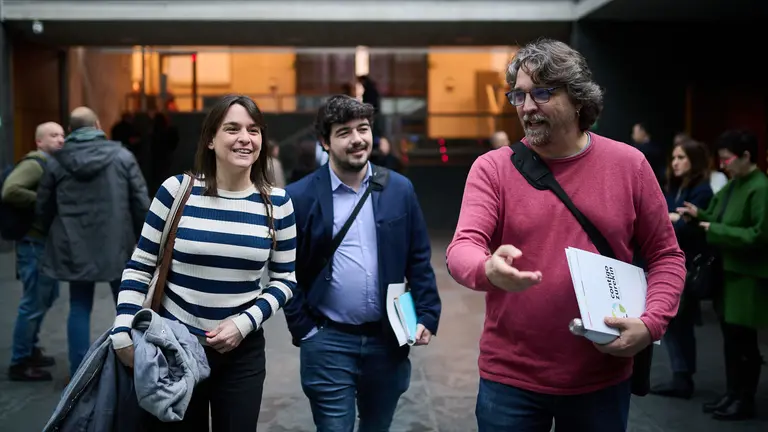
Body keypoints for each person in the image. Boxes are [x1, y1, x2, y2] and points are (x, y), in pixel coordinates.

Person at [445, 39, 686, 431]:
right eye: (518, 96)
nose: (526, 107)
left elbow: (666, 256)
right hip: (510, 380)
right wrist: (487, 267)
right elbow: (462, 247)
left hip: (602, 375)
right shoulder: (493, 168)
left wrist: (651, 323)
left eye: (541, 93)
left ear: (577, 99)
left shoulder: (629, 165)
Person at [110, 95, 297, 430]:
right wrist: (123, 328)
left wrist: (244, 323)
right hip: (174, 348)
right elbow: (140, 266)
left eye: (254, 130)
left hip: (242, 354)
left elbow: (285, 280)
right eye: (232, 128)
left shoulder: (277, 203)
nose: (245, 138)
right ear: (211, 139)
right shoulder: (176, 191)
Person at [284, 95, 441, 432]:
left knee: (377, 426)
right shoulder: (299, 197)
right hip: (327, 339)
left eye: (363, 129)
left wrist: (427, 313)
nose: (357, 139)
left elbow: (418, 258)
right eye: (344, 132)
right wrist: (305, 329)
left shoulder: (399, 189)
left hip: (387, 339)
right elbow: (285, 270)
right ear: (325, 142)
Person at [36, 107, 149, 378]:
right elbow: (141, 202)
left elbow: (43, 206)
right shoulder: (122, 156)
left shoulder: (57, 162)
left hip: (74, 245)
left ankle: (79, 372)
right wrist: (143, 241)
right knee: (125, 304)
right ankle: (131, 366)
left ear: (71, 131)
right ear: (98, 125)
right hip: (117, 244)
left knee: (78, 306)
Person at [677, 129, 768, 421]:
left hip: (746, 276)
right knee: (731, 339)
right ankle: (733, 394)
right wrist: (699, 216)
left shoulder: (760, 187)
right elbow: (715, 218)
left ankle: (745, 398)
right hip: (727, 273)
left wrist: (714, 229)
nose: (723, 165)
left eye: (728, 159)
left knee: (743, 340)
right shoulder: (734, 185)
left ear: (746, 157)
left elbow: (759, 235)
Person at [651, 139, 713, 398]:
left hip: (688, 265)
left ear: (694, 160)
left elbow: (686, 228)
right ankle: (681, 375)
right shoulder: (674, 188)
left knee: (680, 323)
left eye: (681, 157)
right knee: (673, 323)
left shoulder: (702, 190)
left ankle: (683, 377)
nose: (675, 163)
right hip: (671, 263)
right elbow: (662, 221)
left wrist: (675, 221)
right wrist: (674, 220)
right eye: (674, 158)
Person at [4, 122, 64, 381]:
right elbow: (10, 190)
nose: (60, 139)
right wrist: (43, 200)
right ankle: (20, 361)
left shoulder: (50, 164)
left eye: (62, 134)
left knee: (46, 296)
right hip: (33, 243)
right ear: (39, 141)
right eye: (53, 135)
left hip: (44, 243)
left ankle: (30, 349)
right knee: (33, 302)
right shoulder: (35, 162)